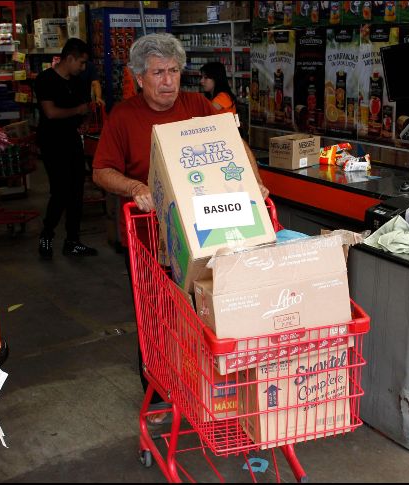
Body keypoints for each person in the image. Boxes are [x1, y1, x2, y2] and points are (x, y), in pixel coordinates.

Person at [92, 33, 268, 425]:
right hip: (151, 237)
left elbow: (236, 145)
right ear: (139, 77)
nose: (168, 81)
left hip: (208, 230)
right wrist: (135, 187)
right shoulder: (123, 116)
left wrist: (254, 182)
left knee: (209, 308)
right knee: (156, 312)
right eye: (158, 73)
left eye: (174, 71)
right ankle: (156, 394)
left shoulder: (197, 106)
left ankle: (212, 387)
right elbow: (101, 170)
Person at [35, 38, 98, 260]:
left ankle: (73, 240)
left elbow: (84, 109)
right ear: (69, 58)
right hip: (52, 142)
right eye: (81, 62)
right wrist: (78, 110)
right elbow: (51, 113)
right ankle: (47, 235)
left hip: (72, 140)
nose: (83, 67)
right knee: (60, 190)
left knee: (76, 191)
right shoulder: (45, 80)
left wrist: (85, 119)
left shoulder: (78, 81)